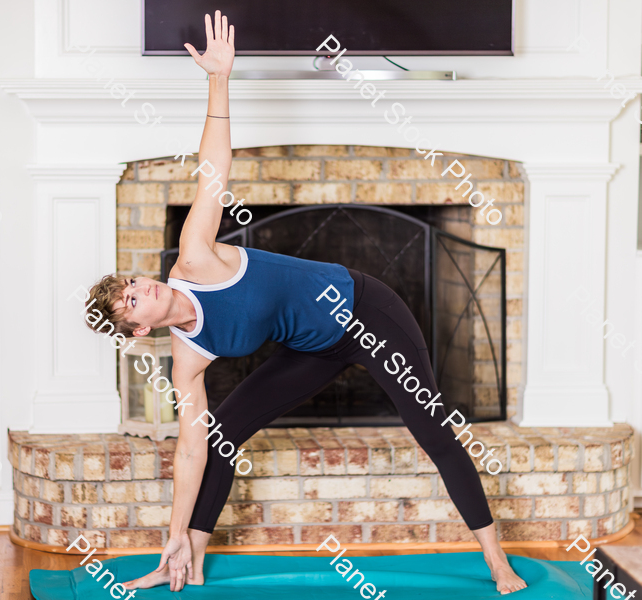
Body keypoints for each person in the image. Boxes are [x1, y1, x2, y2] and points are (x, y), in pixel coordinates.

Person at [83, 11, 528, 596]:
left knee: (433, 429)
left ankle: (499, 563)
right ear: (137, 330)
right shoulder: (186, 359)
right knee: (219, 434)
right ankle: (182, 561)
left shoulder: (193, 259)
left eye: (134, 283)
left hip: (366, 312)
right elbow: (190, 454)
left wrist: (218, 80)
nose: (144, 289)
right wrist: (171, 533)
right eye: (132, 301)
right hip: (314, 347)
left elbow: (213, 170)